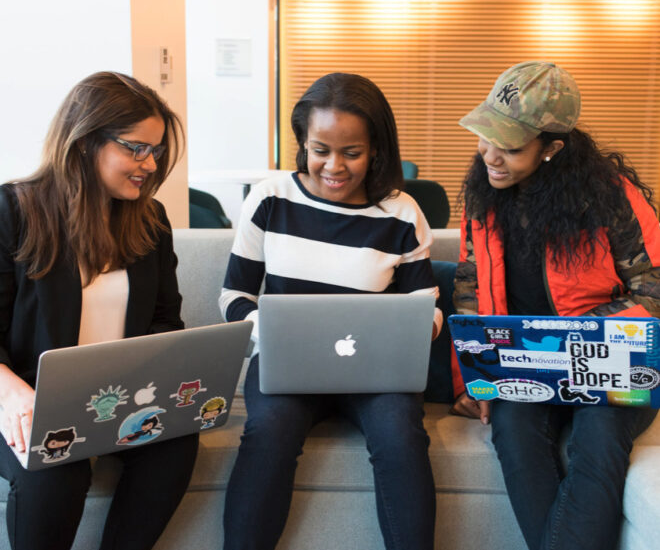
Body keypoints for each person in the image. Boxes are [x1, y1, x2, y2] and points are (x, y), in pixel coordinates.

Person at [220, 72, 442, 550]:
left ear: (377, 148)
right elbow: (233, 296)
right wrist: (270, 330)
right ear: (303, 143)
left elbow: (426, 304)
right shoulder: (270, 198)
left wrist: (420, 327)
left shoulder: (401, 213)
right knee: (267, 433)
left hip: (376, 373)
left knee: (401, 437)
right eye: (320, 149)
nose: (334, 166)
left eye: (352, 153)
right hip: (286, 368)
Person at [450, 61, 660, 550]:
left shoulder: (611, 199)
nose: (490, 156)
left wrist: (580, 335)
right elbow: (470, 285)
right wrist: (472, 379)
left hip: (614, 363)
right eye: (486, 137)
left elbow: (653, 293)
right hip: (525, 365)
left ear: (552, 149)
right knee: (513, 431)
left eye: (510, 147)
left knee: (600, 438)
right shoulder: (482, 197)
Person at [0, 71, 199, 550]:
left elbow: (165, 321)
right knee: (56, 466)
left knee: (174, 444)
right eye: (137, 148)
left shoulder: (150, 222)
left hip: (119, 396)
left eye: (156, 151)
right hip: (22, 400)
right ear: (86, 141)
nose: (150, 164)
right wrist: (13, 395)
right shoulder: (13, 212)